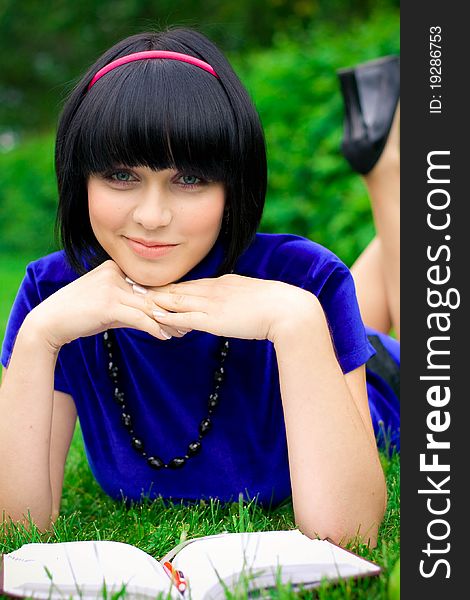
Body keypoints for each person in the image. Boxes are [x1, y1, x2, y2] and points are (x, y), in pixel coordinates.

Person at [0, 28, 398, 548]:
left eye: (189, 180)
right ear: (81, 181)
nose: (152, 216)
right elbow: (16, 528)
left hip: (375, 383)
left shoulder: (303, 283)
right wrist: (38, 337)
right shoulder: (53, 291)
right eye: (121, 175)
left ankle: (393, 177)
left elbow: (350, 534)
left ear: (233, 188)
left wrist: (297, 325)